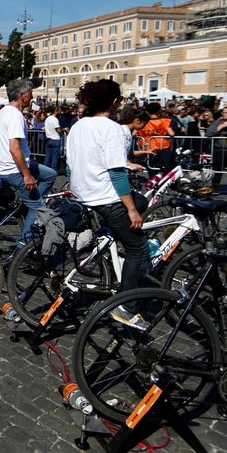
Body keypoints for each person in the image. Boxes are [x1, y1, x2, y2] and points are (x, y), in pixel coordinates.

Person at [66, 79, 149, 329]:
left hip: (82, 194)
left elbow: (70, 164)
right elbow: (116, 173)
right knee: (139, 249)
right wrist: (131, 210)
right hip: (105, 197)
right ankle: (126, 307)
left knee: (142, 201)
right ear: (114, 102)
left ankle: (112, 247)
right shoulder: (111, 128)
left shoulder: (78, 127)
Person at [0, 78, 58, 247]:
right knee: (38, 207)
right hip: (15, 169)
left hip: (11, 165)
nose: (32, 98)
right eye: (30, 94)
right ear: (22, 96)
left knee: (51, 175)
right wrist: (27, 175)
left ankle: (28, 202)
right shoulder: (15, 116)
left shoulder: (2, 112)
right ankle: (23, 243)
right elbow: (14, 149)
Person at [136, 102, 175, 172]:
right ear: (158, 111)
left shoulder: (143, 123)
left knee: (151, 168)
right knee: (164, 168)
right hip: (162, 146)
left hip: (147, 147)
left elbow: (134, 133)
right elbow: (171, 133)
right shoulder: (163, 121)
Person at [43, 105, 63, 173]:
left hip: (48, 139)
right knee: (55, 157)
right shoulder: (55, 119)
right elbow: (58, 130)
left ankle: (45, 171)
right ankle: (54, 171)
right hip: (55, 139)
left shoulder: (47, 119)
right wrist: (64, 129)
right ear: (56, 111)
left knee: (47, 157)